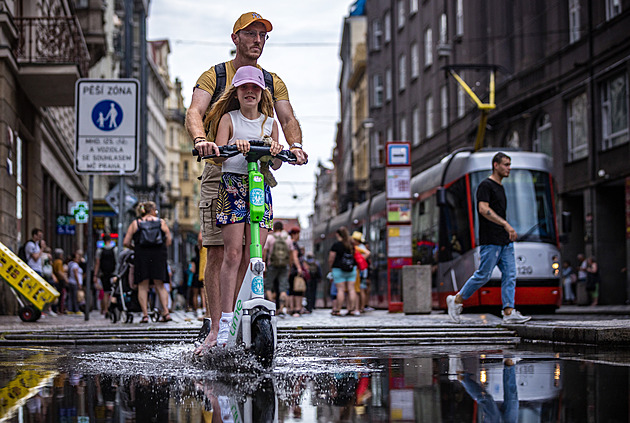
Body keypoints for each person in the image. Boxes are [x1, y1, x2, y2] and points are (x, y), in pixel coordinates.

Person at [186, 11, 307, 353]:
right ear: (235, 38)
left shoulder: (271, 81)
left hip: (257, 172)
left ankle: (236, 314)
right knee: (221, 249)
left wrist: (295, 147)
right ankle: (214, 329)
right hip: (220, 169)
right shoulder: (216, 75)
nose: (257, 40)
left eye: (263, 35)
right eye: (251, 34)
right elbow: (194, 111)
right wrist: (200, 140)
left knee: (250, 251)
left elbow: (287, 117)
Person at [208, 64, 284, 347]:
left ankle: (247, 310)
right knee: (232, 255)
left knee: (256, 256)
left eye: (255, 87)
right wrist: (233, 144)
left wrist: (275, 150)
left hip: (259, 189)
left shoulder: (270, 124)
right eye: (244, 88)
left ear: (262, 92)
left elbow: (276, 163)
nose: (250, 91)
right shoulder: (228, 119)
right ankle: (226, 320)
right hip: (233, 187)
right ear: (237, 92)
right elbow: (218, 153)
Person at [446, 152, 531, 324]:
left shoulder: (500, 187)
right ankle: (456, 301)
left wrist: (506, 230)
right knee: (483, 275)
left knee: (510, 274)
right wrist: (506, 224)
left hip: (504, 241)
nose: (509, 168)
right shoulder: (486, 185)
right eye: (506, 164)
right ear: (496, 165)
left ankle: (508, 312)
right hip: (491, 240)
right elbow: (483, 209)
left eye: (509, 164)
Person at [122, 201, 173, 323]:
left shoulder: (136, 223)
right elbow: (169, 240)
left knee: (142, 285)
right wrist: (160, 248)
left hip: (142, 256)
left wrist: (136, 248)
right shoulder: (161, 222)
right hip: (158, 256)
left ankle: (145, 315)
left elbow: (126, 242)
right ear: (153, 210)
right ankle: (165, 312)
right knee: (159, 285)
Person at [329, 226, 360, 316]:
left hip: (338, 269)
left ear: (338, 234)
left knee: (340, 290)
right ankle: (352, 309)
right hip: (351, 269)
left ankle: (338, 309)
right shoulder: (351, 244)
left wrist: (331, 268)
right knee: (351, 289)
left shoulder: (336, 245)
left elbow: (331, 258)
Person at [262, 221, 291, 314]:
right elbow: (291, 254)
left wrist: (264, 264)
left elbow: (264, 253)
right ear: (282, 228)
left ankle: (272, 308)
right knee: (283, 288)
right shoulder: (288, 238)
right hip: (284, 265)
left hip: (272, 265)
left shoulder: (270, 238)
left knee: (269, 287)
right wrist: (289, 266)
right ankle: (281, 308)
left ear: (274, 228)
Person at [93, 234, 118, 317]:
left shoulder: (100, 250)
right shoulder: (115, 249)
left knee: (106, 292)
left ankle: (106, 310)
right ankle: (113, 308)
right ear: (110, 240)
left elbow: (97, 263)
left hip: (104, 274)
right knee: (114, 292)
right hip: (113, 274)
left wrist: (95, 275)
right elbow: (117, 262)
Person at [287, 227, 306, 316]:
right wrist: (299, 268)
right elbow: (294, 257)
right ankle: (297, 308)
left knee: (291, 289)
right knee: (297, 290)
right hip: (294, 269)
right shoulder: (293, 244)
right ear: (294, 234)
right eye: (298, 234)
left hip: (290, 269)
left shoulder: (288, 242)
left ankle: (291, 308)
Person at [351, 231, 371, 313]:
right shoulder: (360, 246)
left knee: (361, 289)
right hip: (362, 270)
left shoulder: (360, 247)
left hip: (361, 271)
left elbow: (367, 253)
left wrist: (359, 262)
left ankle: (362, 307)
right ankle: (361, 307)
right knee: (360, 289)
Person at [66, 250, 84, 314]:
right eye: (77, 258)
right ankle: (76, 309)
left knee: (71, 296)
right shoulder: (75, 265)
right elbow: (76, 274)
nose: (78, 259)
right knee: (76, 297)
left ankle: (70, 309)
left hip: (71, 281)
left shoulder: (70, 264)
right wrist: (78, 283)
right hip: (74, 282)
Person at [52, 248, 67, 314]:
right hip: (59, 281)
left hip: (56, 280)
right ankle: (59, 309)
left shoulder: (54, 261)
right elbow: (59, 271)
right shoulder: (59, 262)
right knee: (61, 296)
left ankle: (57, 309)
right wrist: (65, 279)